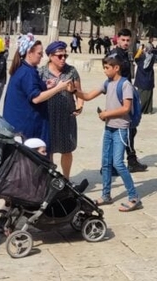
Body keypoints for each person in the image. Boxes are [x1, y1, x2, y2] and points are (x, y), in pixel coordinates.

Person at [76, 55, 143, 212]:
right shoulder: (107, 83)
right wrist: (74, 91)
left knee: (118, 163)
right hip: (109, 128)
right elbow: (88, 96)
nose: (105, 71)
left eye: (107, 67)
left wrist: (106, 114)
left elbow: (126, 108)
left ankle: (134, 196)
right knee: (106, 162)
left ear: (116, 68)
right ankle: (106, 195)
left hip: (120, 129)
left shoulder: (125, 85)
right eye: (104, 67)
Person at [3, 34, 73, 152]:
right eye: (39, 54)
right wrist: (58, 88)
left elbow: (28, 90)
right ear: (29, 53)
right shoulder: (27, 73)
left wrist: (45, 85)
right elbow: (36, 98)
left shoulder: (24, 69)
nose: (41, 57)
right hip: (26, 127)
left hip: (20, 124)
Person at [39, 41, 83, 179]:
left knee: (67, 149)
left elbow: (79, 92)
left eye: (65, 55)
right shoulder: (41, 72)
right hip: (47, 117)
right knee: (48, 150)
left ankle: (66, 179)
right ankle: (51, 179)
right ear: (50, 56)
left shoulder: (71, 71)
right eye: (59, 56)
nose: (63, 58)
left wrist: (80, 105)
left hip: (66, 117)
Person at [108, 28, 147, 172]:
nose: (125, 43)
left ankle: (119, 162)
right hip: (119, 97)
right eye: (123, 40)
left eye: (127, 40)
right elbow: (111, 76)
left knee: (128, 130)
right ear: (117, 39)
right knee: (126, 129)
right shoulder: (114, 55)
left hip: (125, 94)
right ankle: (124, 162)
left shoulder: (123, 54)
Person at [133, 37, 157, 115]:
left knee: (141, 95)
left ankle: (140, 109)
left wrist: (140, 50)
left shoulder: (142, 57)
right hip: (149, 78)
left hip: (141, 79)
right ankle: (148, 110)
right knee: (149, 95)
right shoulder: (153, 57)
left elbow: (135, 58)